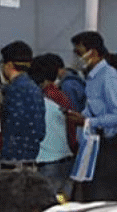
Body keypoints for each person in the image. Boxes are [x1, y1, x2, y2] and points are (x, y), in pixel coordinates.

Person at [70, 31, 117, 202]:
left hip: (112, 148)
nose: (76, 57)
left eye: (79, 52)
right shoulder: (91, 77)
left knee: (102, 198)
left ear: (94, 53)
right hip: (96, 144)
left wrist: (88, 121)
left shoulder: (107, 75)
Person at [0, 41, 45, 171]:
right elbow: (40, 131)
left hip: (10, 164)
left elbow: (7, 126)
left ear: (9, 65)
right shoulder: (35, 89)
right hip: (30, 161)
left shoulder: (12, 90)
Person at [29, 53, 75, 195]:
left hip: (47, 161)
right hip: (65, 157)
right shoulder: (61, 96)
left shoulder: (38, 99)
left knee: (45, 205)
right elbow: (71, 128)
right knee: (63, 205)